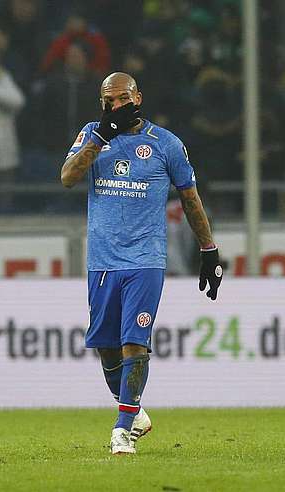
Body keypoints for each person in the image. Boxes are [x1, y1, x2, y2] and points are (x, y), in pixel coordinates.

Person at [60, 72, 223, 455]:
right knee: (106, 347)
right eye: (109, 101)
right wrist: (102, 135)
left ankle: (122, 430)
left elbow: (190, 199)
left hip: (145, 259)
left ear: (138, 98)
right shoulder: (91, 134)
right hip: (102, 260)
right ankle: (134, 411)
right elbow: (67, 177)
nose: (116, 105)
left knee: (135, 342)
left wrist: (208, 250)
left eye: (123, 98)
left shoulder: (166, 144)